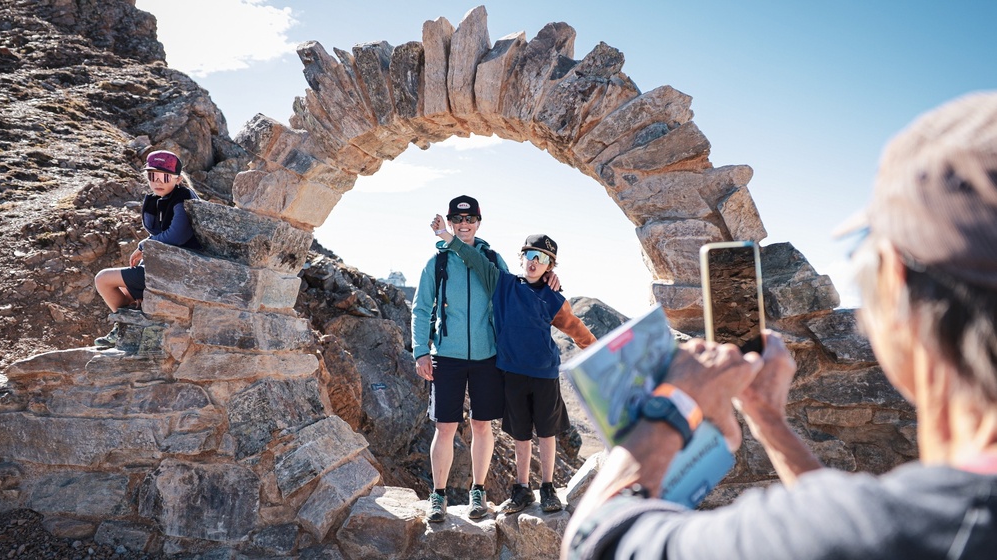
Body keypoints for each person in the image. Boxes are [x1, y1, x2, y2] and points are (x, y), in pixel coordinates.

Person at [562, 91, 997, 559]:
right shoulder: (903, 528)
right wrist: (767, 417)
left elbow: (597, 543)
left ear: (896, 284)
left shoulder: (907, 530)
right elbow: (837, 528)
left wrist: (676, 400)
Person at [431, 216, 597, 515]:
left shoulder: (553, 298)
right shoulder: (503, 283)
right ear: (521, 258)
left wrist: (601, 353)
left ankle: (547, 489)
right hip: (512, 374)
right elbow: (473, 259)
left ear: (550, 267)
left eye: (542, 258)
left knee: (546, 433)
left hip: (545, 374)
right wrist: (447, 237)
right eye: (530, 255)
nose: (534, 262)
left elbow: (577, 330)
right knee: (521, 434)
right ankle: (522, 490)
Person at [411, 195, 512, 523]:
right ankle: (437, 496)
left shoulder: (492, 259)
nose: (464, 225)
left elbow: (510, 299)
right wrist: (421, 351)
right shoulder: (436, 263)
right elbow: (421, 308)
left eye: (470, 220)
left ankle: (478, 492)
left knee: (482, 425)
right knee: (445, 427)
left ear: (478, 223)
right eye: (458, 220)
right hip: (448, 357)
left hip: (487, 356)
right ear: (452, 222)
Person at [93, 150, 202, 347]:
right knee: (125, 293)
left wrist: (143, 246)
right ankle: (126, 326)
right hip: (163, 266)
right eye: (153, 176)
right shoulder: (158, 199)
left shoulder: (184, 198)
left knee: (103, 279)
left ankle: (124, 329)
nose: (158, 181)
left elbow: (177, 236)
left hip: (178, 269)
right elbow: (160, 234)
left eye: (164, 176)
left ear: (177, 179)